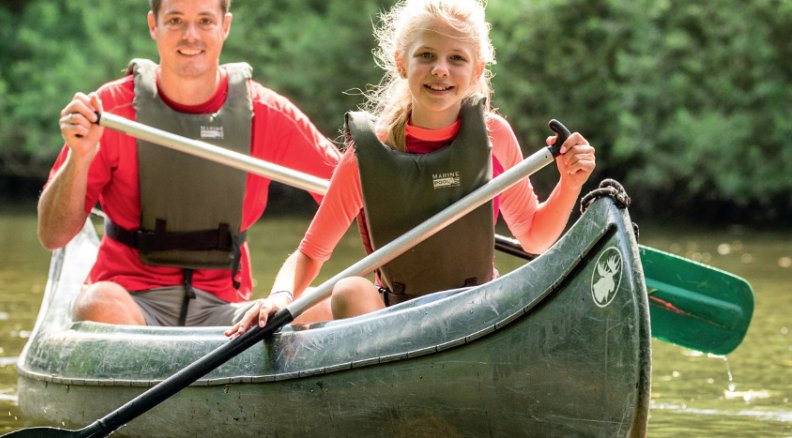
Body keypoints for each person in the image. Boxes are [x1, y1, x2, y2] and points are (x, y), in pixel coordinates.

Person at [225, 0, 595, 337]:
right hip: (395, 320)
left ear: (477, 68)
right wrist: (280, 296)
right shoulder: (368, 155)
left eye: (456, 58)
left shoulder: (493, 136)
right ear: (402, 62)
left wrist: (569, 183)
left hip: (477, 311)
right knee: (349, 290)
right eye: (427, 55)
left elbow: (534, 236)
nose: (440, 70)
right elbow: (310, 253)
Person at [38, 0, 341, 327]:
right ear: (154, 25)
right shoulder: (111, 109)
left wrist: (286, 289)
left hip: (228, 313)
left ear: (225, 26)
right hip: (131, 305)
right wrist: (80, 157)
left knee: (331, 303)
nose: (190, 35)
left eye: (205, 21)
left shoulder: (267, 113)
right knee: (98, 302)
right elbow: (53, 236)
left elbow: (351, 196)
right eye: (176, 21)